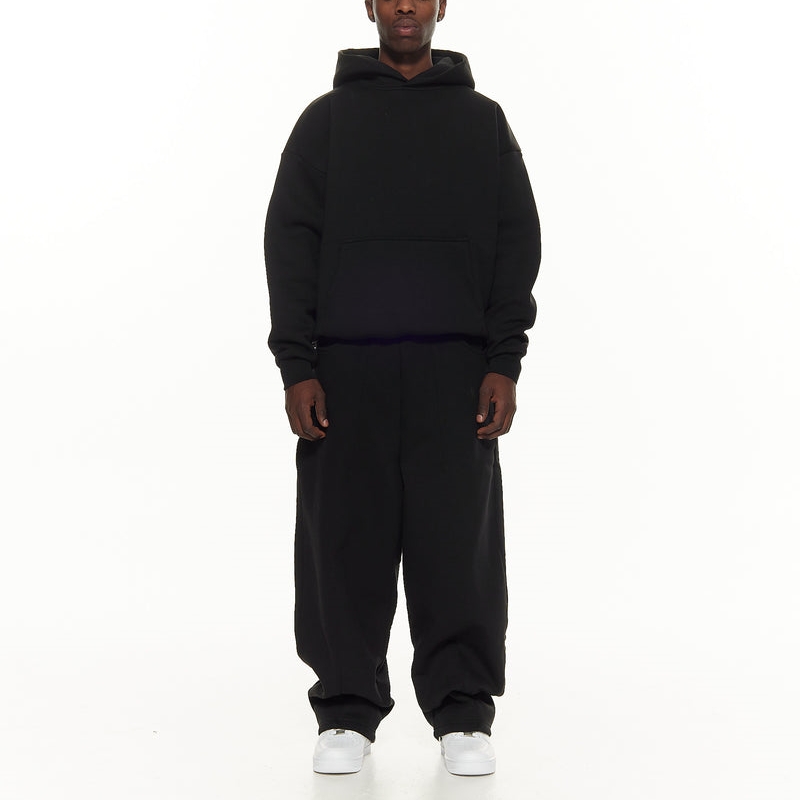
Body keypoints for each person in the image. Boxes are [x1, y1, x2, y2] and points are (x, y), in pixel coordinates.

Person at [263, 0, 540, 777]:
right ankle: (346, 709)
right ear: (371, 5)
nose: (407, 5)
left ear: (443, 4)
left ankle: (463, 713)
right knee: (344, 543)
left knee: (456, 546)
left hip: (455, 370)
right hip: (346, 370)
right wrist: (297, 365)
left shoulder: (483, 122)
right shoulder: (325, 123)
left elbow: (516, 240)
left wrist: (503, 360)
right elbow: (289, 243)